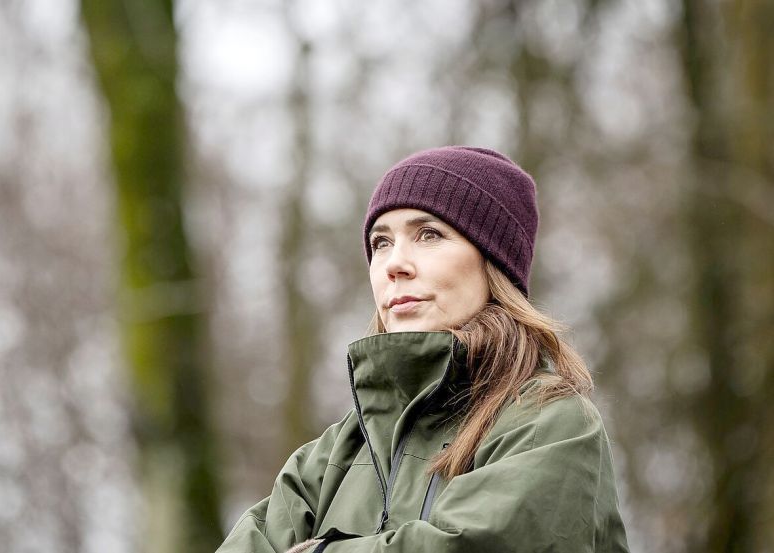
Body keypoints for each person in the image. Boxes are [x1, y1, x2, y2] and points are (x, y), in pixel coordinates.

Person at [216, 146, 630, 552]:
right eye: (380, 243)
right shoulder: (332, 457)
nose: (395, 263)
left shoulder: (550, 424)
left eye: (428, 234)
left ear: (494, 264)